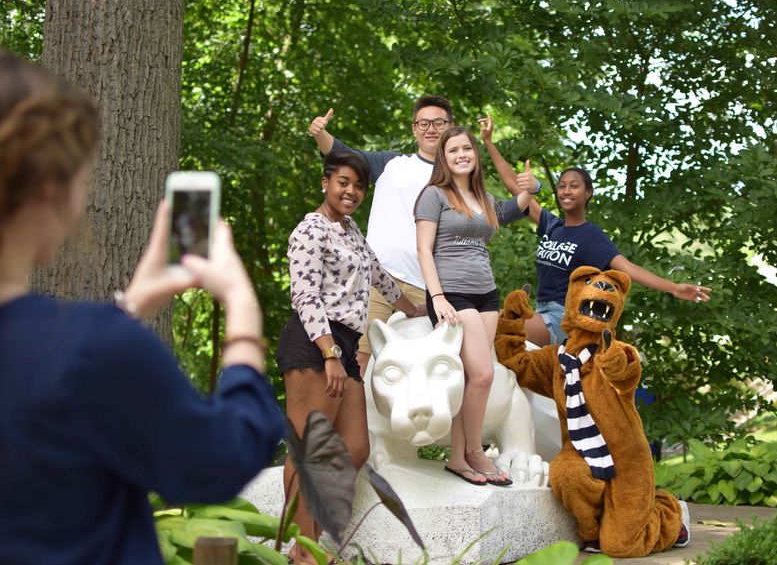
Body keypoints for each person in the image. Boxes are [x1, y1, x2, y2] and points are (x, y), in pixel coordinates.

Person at [0, 52, 285, 565]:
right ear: (50, 187)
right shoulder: (93, 350)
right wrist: (242, 308)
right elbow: (220, 460)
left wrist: (133, 304)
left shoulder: (90, 347)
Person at [276, 150, 421, 564]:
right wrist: (330, 352)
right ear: (326, 182)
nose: (351, 191)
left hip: (345, 345)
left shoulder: (353, 231)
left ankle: (307, 539)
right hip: (315, 343)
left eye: (359, 186)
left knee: (355, 447)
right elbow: (304, 294)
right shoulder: (311, 229)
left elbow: (380, 277)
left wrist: (419, 310)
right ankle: (303, 552)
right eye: (343, 182)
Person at [480, 115, 712, 346]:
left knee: (495, 322)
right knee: (486, 325)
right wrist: (489, 142)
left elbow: (629, 268)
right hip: (538, 312)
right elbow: (514, 186)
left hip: (562, 319)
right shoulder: (551, 225)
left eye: (574, 186)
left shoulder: (592, 237)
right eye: (562, 186)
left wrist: (674, 288)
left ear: (587, 193)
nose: (566, 191)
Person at [414, 126, 528, 486]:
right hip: (451, 295)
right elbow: (423, 250)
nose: (461, 154)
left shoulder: (483, 198)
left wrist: (532, 187)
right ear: (444, 158)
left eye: (467, 149)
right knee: (483, 374)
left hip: (486, 295)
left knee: (469, 381)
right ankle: (477, 451)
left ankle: (458, 458)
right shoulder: (434, 195)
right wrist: (437, 297)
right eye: (453, 151)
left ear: (474, 155)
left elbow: (516, 206)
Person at [308, 96, 452, 375]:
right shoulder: (392, 163)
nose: (431, 128)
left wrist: (531, 190)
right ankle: (353, 421)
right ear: (414, 128)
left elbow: (493, 211)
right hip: (378, 282)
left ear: (450, 126)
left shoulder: (460, 177)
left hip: (432, 289)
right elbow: (341, 153)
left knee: (430, 371)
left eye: (439, 122)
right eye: (424, 122)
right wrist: (321, 133)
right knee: (358, 361)